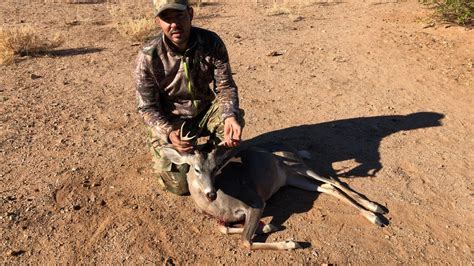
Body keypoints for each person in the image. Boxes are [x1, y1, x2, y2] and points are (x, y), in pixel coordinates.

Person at [134, 0, 244, 195]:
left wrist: (229, 116)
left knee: (232, 119)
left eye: (179, 16)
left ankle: (209, 159)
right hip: (172, 121)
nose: (174, 24)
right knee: (180, 187)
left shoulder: (211, 42)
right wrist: (167, 131)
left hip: (204, 111)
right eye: (167, 18)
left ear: (191, 14)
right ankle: (191, 157)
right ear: (158, 22)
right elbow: (147, 107)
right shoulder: (148, 56)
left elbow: (225, 86)